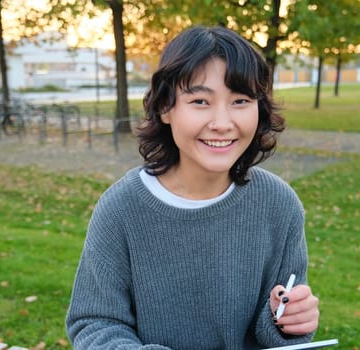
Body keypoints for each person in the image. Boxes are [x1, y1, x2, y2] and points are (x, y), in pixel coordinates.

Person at [65, 26, 320, 349]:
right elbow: (95, 323)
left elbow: (277, 330)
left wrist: (286, 321)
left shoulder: (279, 205)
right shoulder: (122, 208)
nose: (222, 122)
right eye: (200, 101)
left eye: (240, 100)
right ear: (165, 107)